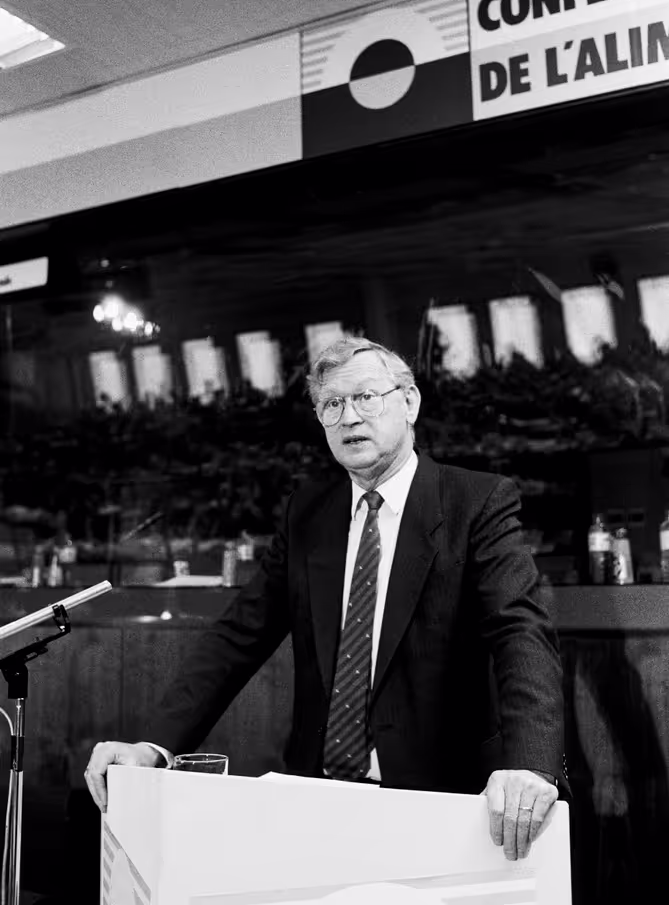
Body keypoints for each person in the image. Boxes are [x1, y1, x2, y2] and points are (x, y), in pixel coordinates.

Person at [85, 336, 568, 861]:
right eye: (332, 405)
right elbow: (237, 637)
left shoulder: (476, 500)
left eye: (366, 397)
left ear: (409, 402)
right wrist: (153, 745)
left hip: (443, 798)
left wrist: (531, 763)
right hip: (319, 796)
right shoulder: (309, 512)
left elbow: (519, 630)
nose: (349, 417)